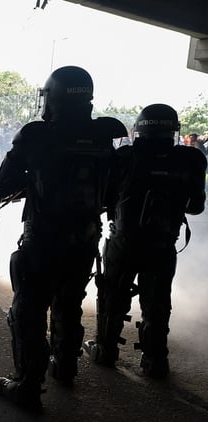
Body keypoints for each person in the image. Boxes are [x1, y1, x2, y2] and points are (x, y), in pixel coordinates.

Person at [0, 66, 128, 411]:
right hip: (84, 240)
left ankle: (27, 386)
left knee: (29, 313)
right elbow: (113, 194)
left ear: (55, 98)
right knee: (69, 303)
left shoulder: (36, 135)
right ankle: (65, 368)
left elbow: (1, 184)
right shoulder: (105, 136)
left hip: (43, 242)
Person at [83, 104, 207, 378]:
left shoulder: (124, 157)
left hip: (124, 242)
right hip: (163, 243)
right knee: (158, 302)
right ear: (172, 130)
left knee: (113, 295)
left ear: (141, 129)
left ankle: (106, 350)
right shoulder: (191, 159)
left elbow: (104, 197)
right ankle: (155, 360)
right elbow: (197, 206)